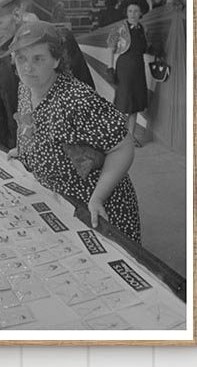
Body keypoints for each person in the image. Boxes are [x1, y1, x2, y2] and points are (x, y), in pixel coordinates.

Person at [8, 20, 140, 241]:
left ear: (56, 59)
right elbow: (37, 127)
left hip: (96, 206)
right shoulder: (25, 87)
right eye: (21, 58)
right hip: (60, 200)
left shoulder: (76, 99)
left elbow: (123, 146)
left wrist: (98, 198)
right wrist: (26, 151)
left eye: (38, 59)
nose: (28, 67)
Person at [0, 0, 96, 149]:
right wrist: (6, 154)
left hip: (71, 148)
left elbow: (88, 95)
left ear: (16, 14)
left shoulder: (61, 40)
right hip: (22, 152)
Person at [106, 0, 151, 136]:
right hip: (124, 68)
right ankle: (116, 135)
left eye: (136, 11)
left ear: (140, 13)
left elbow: (144, 48)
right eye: (130, 11)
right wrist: (110, 68)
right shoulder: (119, 29)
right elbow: (111, 48)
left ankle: (131, 137)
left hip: (138, 68)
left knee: (135, 104)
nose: (133, 14)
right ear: (126, 13)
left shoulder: (143, 29)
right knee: (123, 102)